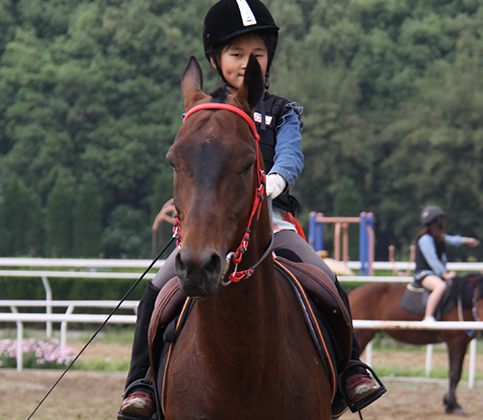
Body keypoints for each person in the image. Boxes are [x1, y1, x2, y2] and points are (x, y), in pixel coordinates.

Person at [118, 1, 384, 419]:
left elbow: (291, 155)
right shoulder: (202, 114)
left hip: (271, 220)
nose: (246, 62)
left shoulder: (281, 111)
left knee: (324, 277)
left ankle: (350, 368)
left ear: (268, 60)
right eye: (236, 54)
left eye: (256, 54)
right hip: (211, 222)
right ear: (214, 59)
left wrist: (274, 180)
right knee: (158, 290)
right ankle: (142, 385)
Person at [412, 205, 480, 323]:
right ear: (437, 222)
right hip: (424, 274)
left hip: (433, 274)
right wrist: (444, 274)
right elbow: (432, 260)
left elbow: (453, 240)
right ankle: (427, 317)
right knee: (440, 286)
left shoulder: (439, 237)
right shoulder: (426, 239)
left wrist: (467, 240)